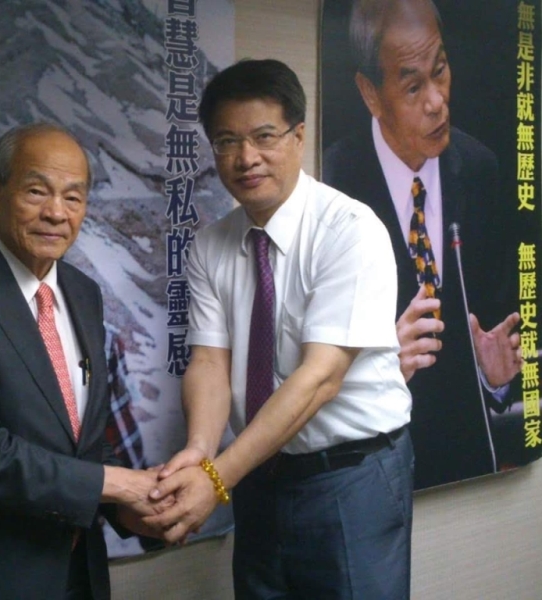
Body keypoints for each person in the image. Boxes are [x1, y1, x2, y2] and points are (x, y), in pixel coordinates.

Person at [146, 59, 414, 599]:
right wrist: (200, 449)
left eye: (263, 136)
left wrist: (217, 478)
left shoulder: (349, 230)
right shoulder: (211, 245)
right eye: (227, 141)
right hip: (258, 472)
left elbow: (320, 378)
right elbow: (210, 362)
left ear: (297, 136)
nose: (246, 158)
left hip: (350, 476)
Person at [0, 123, 168, 600]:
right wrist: (119, 484)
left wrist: (135, 509)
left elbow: (84, 439)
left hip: (79, 572)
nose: (56, 213)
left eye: (73, 197)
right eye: (37, 191)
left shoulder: (83, 293)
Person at [322, 0, 523, 489]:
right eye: (413, 87)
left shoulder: (480, 169)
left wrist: (496, 378)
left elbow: (495, 321)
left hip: (467, 466)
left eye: (441, 71)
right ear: (370, 93)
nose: (437, 102)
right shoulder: (333, 182)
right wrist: (379, 364)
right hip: (371, 467)